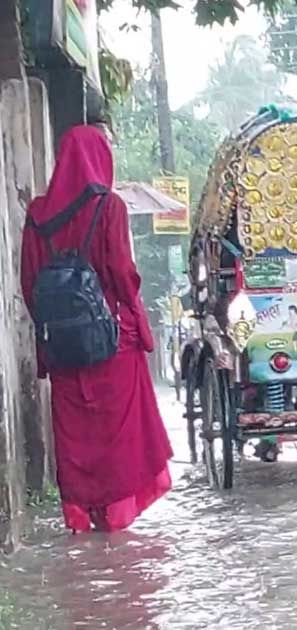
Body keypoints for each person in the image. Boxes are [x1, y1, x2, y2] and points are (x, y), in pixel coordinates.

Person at [20, 125, 172, 534]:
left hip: (63, 348)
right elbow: (122, 273)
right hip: (112, 343)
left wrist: (54, 334)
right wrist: (137, 320)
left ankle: (78, 521)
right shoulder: (110, 207)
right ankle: (117, 526)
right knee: (118, 438)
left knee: (74, 437)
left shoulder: (36, 215)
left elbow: (29, 284)